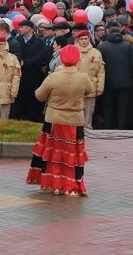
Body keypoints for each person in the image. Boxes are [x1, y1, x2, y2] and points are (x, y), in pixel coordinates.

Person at [27, 44, 88, 196]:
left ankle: (54, 185)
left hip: (54, 120)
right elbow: (91, 90)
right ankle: (72, 185)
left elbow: (39, 95)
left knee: (54, 154)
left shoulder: (53, 77)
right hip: (75, 121)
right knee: (71, 155)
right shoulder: (82, 77)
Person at [10, 18, 50, 122]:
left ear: (29, 28)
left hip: (33, 76)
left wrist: (26, 62)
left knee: (32, 101)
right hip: (20, 76)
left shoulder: (38, 42)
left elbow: (40, 56)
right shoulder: (16, 40)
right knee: (20, 100)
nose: (20, 29)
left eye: (22, 27)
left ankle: (31, 120)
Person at [72, 29, 104, 129]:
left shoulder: (96, 52)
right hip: (75, 85)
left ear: (89, 39)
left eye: (86, 39)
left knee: (89, 110)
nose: (84, 41)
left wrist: (100, 88)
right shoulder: (73, 52)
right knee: (76, 109)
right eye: (81, 39)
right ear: (78, 40)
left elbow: (101, 72)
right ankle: (77, 129)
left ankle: (88, 128)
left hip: (91, 85)